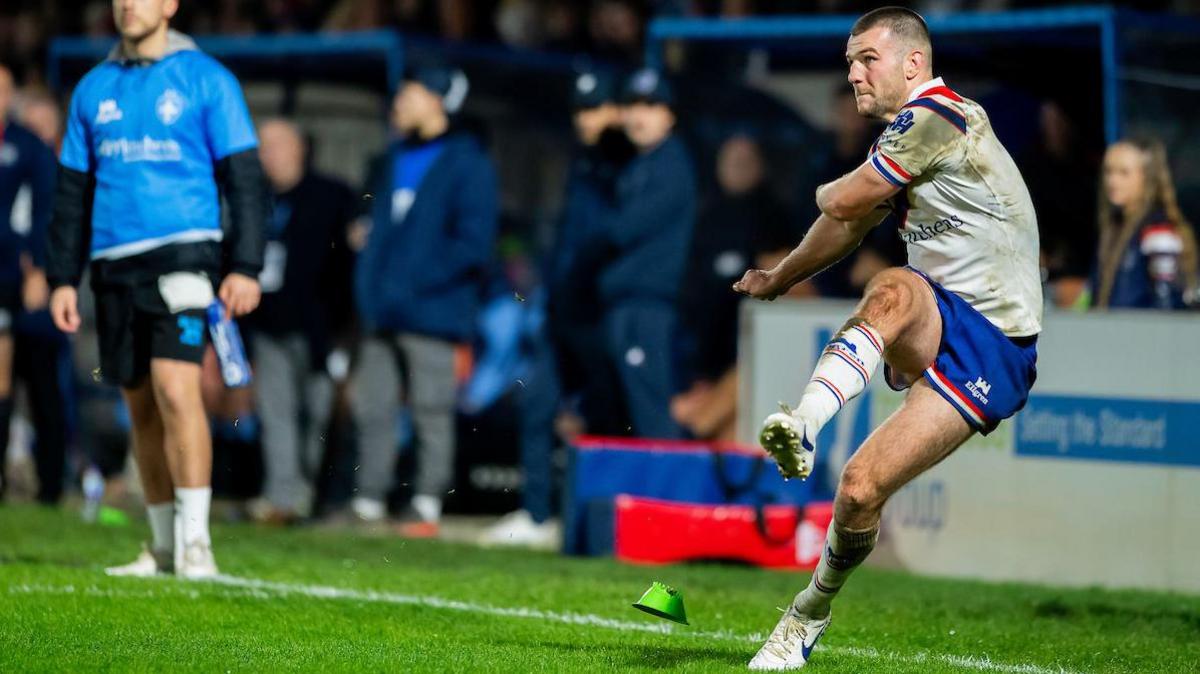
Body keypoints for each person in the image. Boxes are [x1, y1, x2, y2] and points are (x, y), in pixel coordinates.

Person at [733, 8, 1041, 668]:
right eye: (849, 60)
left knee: (860, 491)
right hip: (938, 314)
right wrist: (782, 276)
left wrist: (829, 188)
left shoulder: (940, 117)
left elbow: (845, 206)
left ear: (913, 63)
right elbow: (849, 228)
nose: (852, 73)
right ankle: (806, 423)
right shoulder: (907, 137)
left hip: (995, 345)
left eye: (866, 58)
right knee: (896, 289)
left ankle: (808, 611)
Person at [46, 0, 266, 578]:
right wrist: (62, 278)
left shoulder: (207, 79)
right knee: (140, 405)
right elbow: (72, 192)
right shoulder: (93, 89)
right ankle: (164, 545)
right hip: (113, 263)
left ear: (169, 5)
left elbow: (243, 179)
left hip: (185, 255)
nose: (127, 5)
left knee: (176, 388)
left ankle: (198, 545)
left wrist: (245, 265)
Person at [480, 69, 633, 547]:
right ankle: (537, 513)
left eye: (594, 108)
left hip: (600, 311)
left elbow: (613, 238)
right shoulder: (583, 162)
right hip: (565, 307)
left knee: (611, 413)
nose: (585, 119)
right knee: (537, 401)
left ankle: (613, 517)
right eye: (580, 110)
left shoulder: (627, 162)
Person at [352, 65, 498, 538]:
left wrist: (414, 281)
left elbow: (474, 244)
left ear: (437, 101)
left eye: (409, 95)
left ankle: (426, 502)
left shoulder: (468, 163)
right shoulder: (390, 159)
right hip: (383, 310)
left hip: (433, 312)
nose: (399, 104)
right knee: (373, 405)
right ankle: (369, 500)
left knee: (430, 409)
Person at [246, 119, 355, 524]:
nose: (266, 154)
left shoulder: (331, 196)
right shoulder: (256, 199)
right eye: (263, 146)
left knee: (318, 414)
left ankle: (312, 490)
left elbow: (345, 266)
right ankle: (282, 496)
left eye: (275, 144)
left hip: (320, 331)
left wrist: (341, 326)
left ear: (299, 148)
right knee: (276, 414)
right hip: (269, 326)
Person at [594, 68, 696, 440]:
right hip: (626, 303)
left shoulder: (671, 165)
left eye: (651, 105)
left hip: (647, 307)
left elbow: (621, 229)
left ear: (669, 115)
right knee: (627, 410)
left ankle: (662, 497)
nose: (639, 115)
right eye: (632, 105)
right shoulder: (637, 165)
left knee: (650, 411)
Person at [672, 134, 793, 440]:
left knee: (712, 429)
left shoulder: (774, 218)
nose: (737, 167)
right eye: (731, 160)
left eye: (746, 160)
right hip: (700, 360)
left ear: (761, 166)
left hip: (747, 357)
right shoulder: (705, 218)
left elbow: (790, 285)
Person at [0, 63, 60, 502]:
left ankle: (51, 484)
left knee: (37, 380)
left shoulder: (29, 149)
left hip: (18, 281)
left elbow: (45, 214)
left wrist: (39, 269)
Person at [1089, 137, 1197, 311]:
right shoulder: (1113, 228)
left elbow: (1166, 302)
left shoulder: (1158, 230)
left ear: (1147, 177)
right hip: (1112, 331)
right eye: (1108, 171)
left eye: (1124, 172)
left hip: (1143, 334)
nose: (1113, 181)